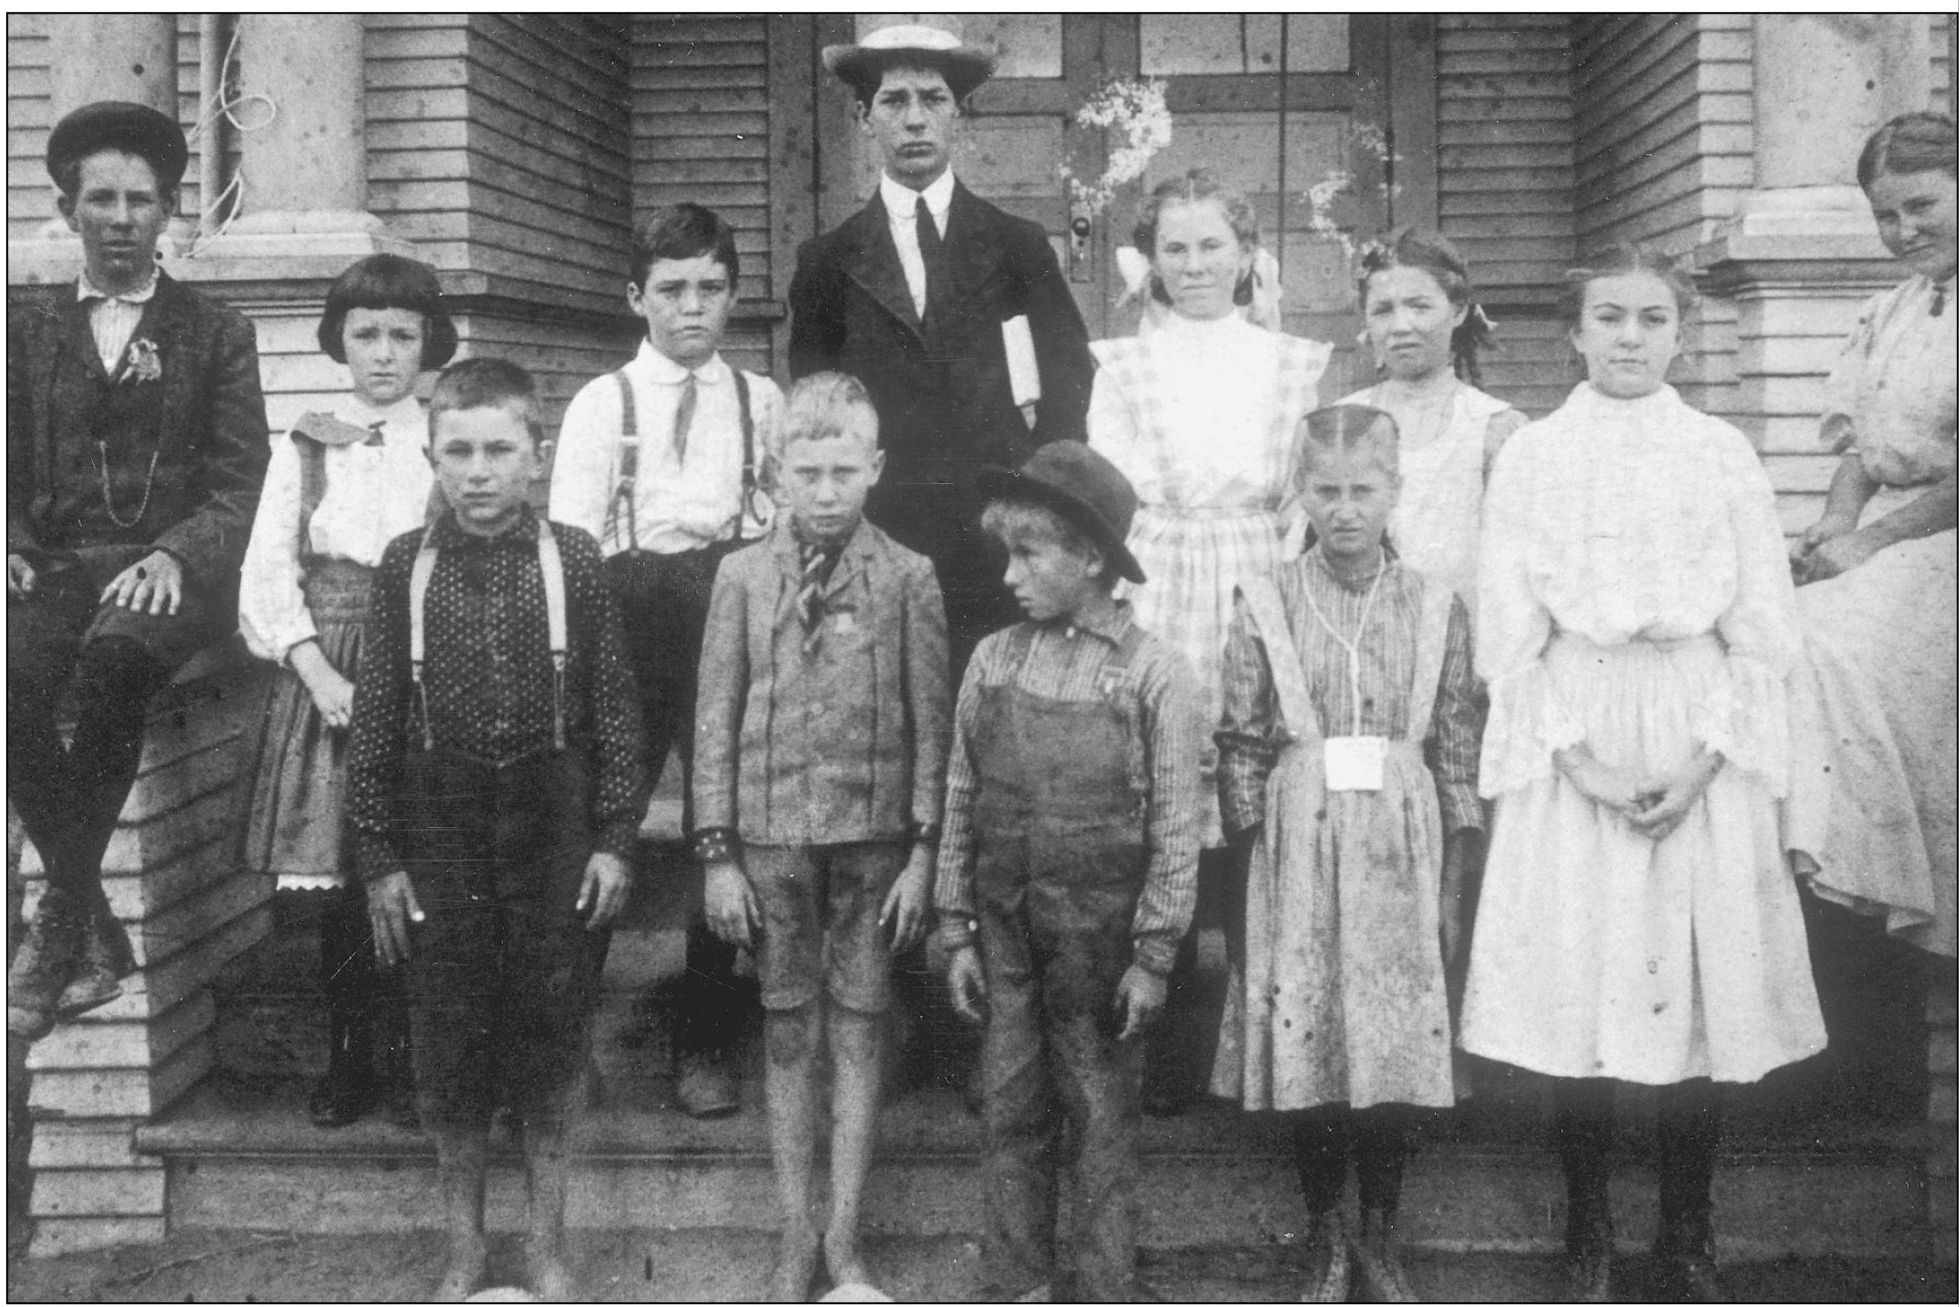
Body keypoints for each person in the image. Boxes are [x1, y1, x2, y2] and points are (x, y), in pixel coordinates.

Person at [1460, 246, 1827, 1303]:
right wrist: (1579, 762)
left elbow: (1763, 627)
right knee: (1585, 985)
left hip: (1695, 726)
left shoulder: (1721, 454)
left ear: (1681, 333)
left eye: (1651, 318)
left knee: (1690, 982)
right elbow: (1508, 632)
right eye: (1608, 317)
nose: (1629, 337)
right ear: (1572, 332)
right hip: (1575, 727)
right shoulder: (1534, 456)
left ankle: (1688, 1228)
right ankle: (1587, 1228)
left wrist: (1706, 761)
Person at [346, 359, 646, 1302]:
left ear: (537, 454)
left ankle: (549, 1248)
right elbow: (377, 717)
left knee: (550, 1035)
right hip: (439, 824)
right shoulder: (404, 562)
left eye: (499, 450)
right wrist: (380, 857)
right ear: (431, 455)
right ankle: (465, 1250)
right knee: (451, 1041)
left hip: (551, 819)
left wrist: (616, 837)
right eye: (458, 452)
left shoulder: (575, 560)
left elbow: (617, 713)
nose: (478, 472)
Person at [7, 100, 270, 1040]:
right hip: (56, 565)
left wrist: (176, 552)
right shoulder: (23, 326)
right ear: (69, 208)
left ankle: (62, 924)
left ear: (169, 212)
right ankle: (90, 921)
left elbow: (244, 483)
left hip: (173, 575)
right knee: (11, 680)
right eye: (102, 199)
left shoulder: (214, 329)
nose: (121, 218)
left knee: (115, 668)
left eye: (141, 201)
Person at [1211, 404, 1481, 1303]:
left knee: (1394, 1036)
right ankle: (1325, 1227)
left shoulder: (1435, 604)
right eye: (1324, 491)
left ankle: (1381, 1226)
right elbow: (1243, 744)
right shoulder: (1265, 597)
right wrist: (1249, 883)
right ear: (1301, 493)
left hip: (1401, 850)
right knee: (1313, 1035)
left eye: (1362, 489)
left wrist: (1453, 879)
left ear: (1395, 489)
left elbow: (1453, 754)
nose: (1344, 510)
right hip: (1298, 851)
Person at [692, 372, 951, 1300]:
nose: (828, 489)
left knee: (859, 1028)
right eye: (808, 471)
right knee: (788, 1028)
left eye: (845, 469)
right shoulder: (741, 575)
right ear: (776, 474)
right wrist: (717, 851)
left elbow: (931, 724)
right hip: (769, 843)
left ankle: (845, 1237)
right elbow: (713, 717)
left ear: (875, 467)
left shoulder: (909, 577)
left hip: (874, 846)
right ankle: (791, 1235)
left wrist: (923, 853)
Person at [1087, 169, 1329, 1113]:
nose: (1193, 266)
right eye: (1175, 249)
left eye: (1211, 247)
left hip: (1261, 571)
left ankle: (1263, 1046)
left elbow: (1303, 486)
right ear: (1149, 260)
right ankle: (1169, 1037)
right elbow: (1113, 493)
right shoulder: (1123, 365)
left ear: (1246, 256)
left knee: (1256, 789)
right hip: (1159, 570)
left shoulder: (1290, 361)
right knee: (1164, 794)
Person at [937, 442, 1202, 1303]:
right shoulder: (994, 659)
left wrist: (1154, 955)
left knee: (1097, 1111)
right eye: (1006, 553)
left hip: (1101, 936)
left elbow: (1175, 826)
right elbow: (960, 791)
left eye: (1030, 554)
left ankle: (1101, 1283)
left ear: (1090, 559)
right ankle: (1014, 1279)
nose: (1010, 574)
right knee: (1009, 1102)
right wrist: (954, 924)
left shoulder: (1152, 672)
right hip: (1006, 924)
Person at [549, 202, 784, 1118]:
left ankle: (707, 1035)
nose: (694, 308)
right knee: (603, 816)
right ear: (635, 296)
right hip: (627, 613)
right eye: (673, 289)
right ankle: (567, 1042)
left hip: (727, 610)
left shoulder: (758, 399)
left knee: (719, 824)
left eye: (712, 289)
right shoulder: (602, 402)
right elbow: (570, 542)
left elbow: (779, 524)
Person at [790, 17, 1096, 671]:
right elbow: (815, 409)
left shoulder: (1017, 247)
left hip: (995, 545)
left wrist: (1034, 513)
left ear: (960, 114)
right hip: (881, 541)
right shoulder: (828, 261)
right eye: (893, 101)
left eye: (932, 99)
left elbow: (1068, 382)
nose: (914, 119)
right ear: (862, 115)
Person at [236, 253, 453, 1128]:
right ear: (338, 342)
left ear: (427, 342)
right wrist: (315, 668)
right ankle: (351, 1054)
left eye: (403, 335)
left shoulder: (445, 434)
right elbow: (266, 567)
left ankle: (417, 1060)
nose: (384, 353)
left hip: (428, 666)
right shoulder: (307, 442)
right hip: (333, 670)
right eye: (366, 334)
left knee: (421, 869)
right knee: (341, 879)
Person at [1785, 112, 1955, 965]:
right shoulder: (1892, 307)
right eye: (1885, 216)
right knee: (1767, 621)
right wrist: (1835, 524)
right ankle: (1816, 881)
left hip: (1941, 538)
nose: (1902, 230)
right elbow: (1857, 446)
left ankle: (1875, 879)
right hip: (1892, 531)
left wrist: (1873, 543)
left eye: (1921, 206)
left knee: (1826, 645)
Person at [1338, 226, 1525, 622]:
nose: (1401, 325)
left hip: (1465, 645)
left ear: (1457, 311)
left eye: (1419, 306)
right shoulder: (1343, 422)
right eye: (1383, 310)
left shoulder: (1496, 430)